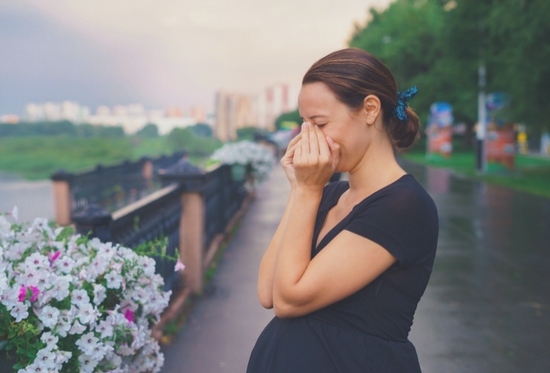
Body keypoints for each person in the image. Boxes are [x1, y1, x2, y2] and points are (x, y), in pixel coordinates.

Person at [247, 48, 439, 373]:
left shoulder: (404, 206)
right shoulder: (329, 193)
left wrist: (308, 191)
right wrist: (300, 189)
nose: (308, 138)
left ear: (369, 109)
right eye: (304, 125)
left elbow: (289, 300)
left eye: (319, 123)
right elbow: (268, 290)